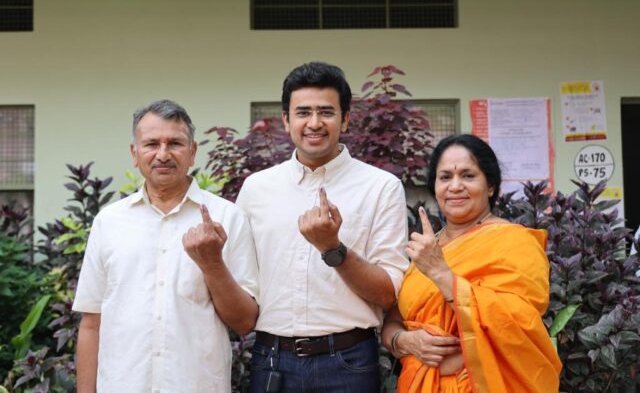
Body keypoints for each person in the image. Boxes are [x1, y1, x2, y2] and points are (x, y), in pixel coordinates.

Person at [236, 62, 409, 392]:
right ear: (286, 120)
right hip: (271, 360)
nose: (314, 123)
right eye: (303, 112)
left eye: (326, 112)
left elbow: (389, 293)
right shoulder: (256, 189)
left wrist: (334, 249)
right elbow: (242, 282)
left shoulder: (381, 187)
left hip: (348, 361)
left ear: (345, 119)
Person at [73, 100, 259, 392]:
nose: (163, 154)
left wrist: (212, 263)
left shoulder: (227, 218)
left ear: (192, 152)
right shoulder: (108, 222)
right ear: (135, 154)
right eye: (151, 144)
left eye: (175, 143)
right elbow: (91, 323)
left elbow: (245, 321)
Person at [381, 134, 562, 392]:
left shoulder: (514, 241)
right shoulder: (428, 247)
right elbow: (394, 320)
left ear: (490, 185)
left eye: (467, 175)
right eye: (445, 177)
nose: (455, 186)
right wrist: (404, 341)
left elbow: (518, 326)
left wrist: (441, 273)